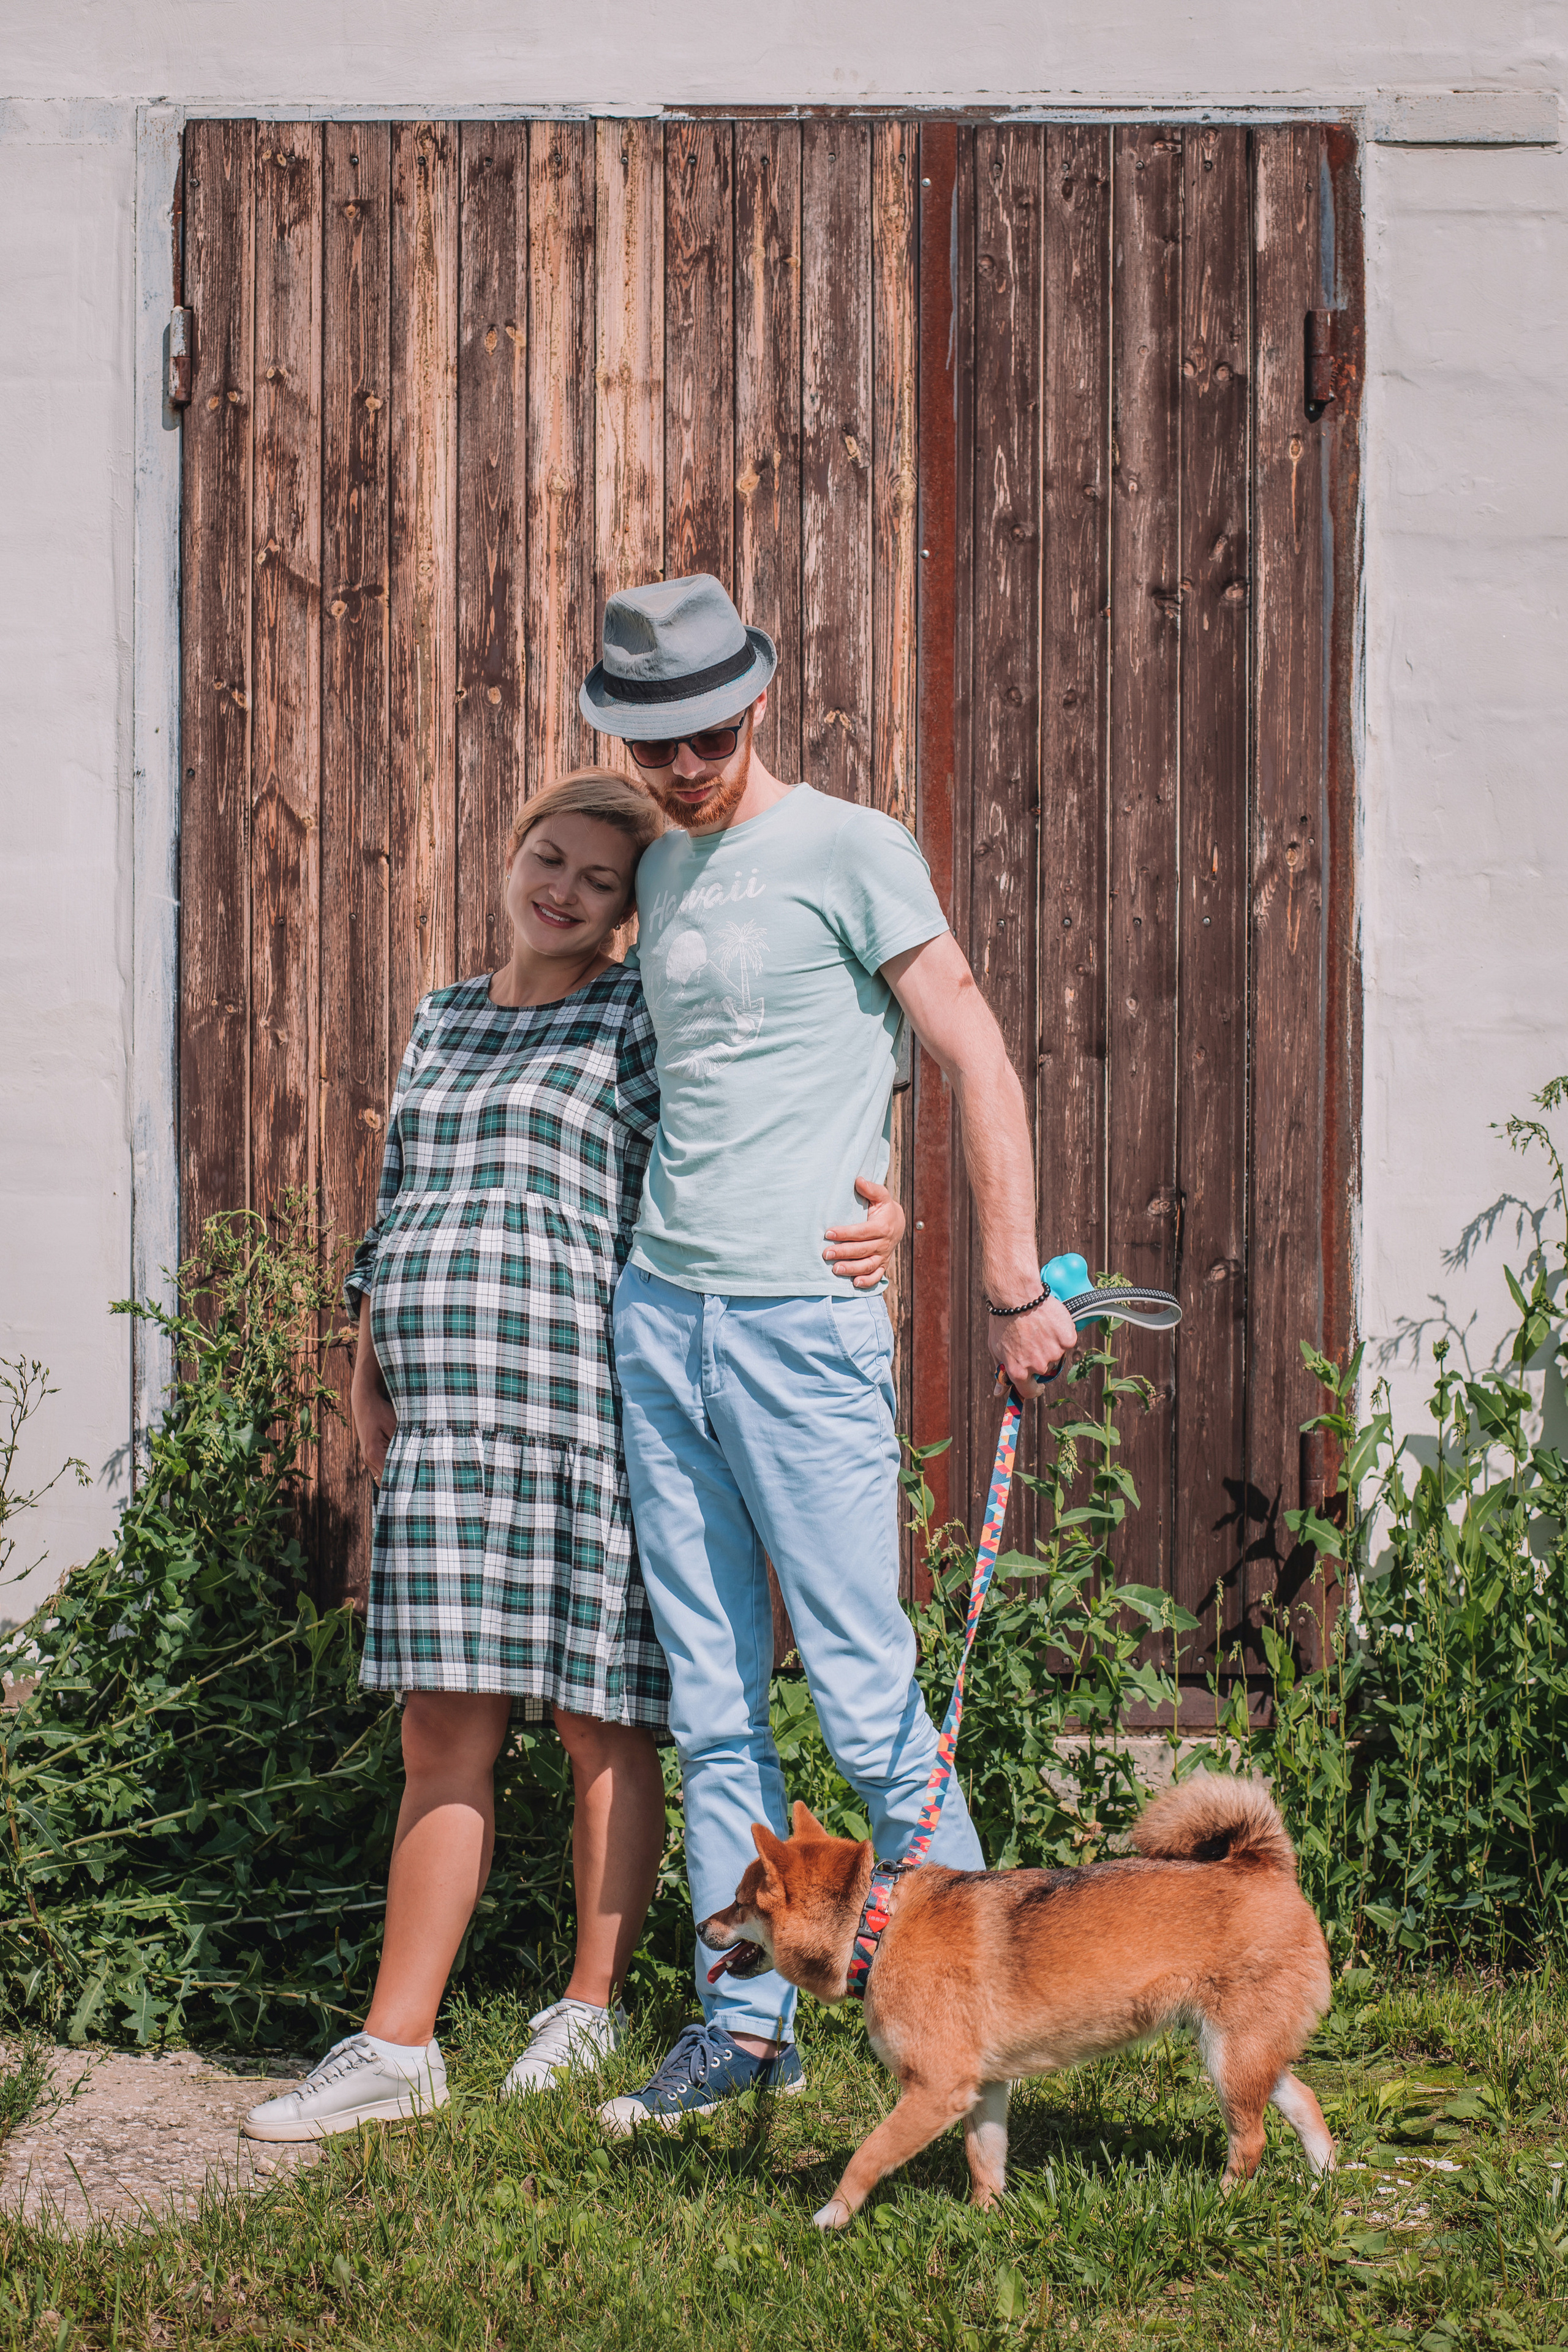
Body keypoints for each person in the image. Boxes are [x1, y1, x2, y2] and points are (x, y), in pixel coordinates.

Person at [243, 767, 906, 2143]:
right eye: (548, 858)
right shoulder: (441, 1021)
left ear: (625, 913)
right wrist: (366, 1347)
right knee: (442, 1725)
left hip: (584, 1413)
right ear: (511, 855)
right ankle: (395, 2043)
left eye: (599, 881)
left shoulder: (632, 1013)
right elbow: (403, 1195)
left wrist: (879, 1208)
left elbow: (759, 1130)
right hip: (442, 1422)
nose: (563, 889)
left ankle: (588, 2004)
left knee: (597, 1723)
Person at [581, 575, 1081, 2135]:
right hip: (661, 1317)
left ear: (757, 701)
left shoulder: (852, 847)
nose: (683, 764)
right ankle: (745, 2027)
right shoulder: (658, 877)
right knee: (714, 1700)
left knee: (867, 1700)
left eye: (708, 731)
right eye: (653, 742)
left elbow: (968, 1045)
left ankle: (987, 2016)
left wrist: (999, 1277)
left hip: (798, 1337)